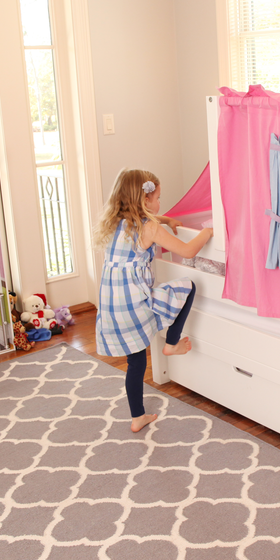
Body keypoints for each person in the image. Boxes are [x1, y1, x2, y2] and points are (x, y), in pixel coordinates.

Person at [94, 169, 213, 433]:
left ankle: (138, 417)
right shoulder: (149, 228)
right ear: (144, 200)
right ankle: (171, 343)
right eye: (158, 198)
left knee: (135, 362)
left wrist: (165, 218)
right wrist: (207, 233)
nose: (160, 203)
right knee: (189, 287)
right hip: (136, 303)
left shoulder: (115, 223)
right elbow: (188, 250)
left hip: (113, 306)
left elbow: (146, 220)